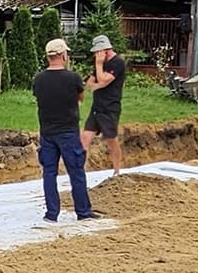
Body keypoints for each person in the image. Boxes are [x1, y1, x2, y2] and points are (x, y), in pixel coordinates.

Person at [30, 38, 95, 224]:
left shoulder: (39, 79)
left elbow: (39, 98)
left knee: (49, 173)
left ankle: (51, 214)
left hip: (47, 132)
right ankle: (83, 212)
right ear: (63, 55)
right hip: (68, 132)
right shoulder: (73, 78)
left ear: (48, 57)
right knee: (76, 171)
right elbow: (80, 97)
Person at [81, 32, 126, 171]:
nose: (95, 55)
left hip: (110, 107)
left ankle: (117, 169)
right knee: (85, 138)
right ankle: (81, 170)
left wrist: (99, 65)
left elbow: (103, 79)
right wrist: (98, 83)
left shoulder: (117, 63)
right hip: (97, 107)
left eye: (97, 52)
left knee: (111, 139)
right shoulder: (100, 64)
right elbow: (90, 83)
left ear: (104, 50)